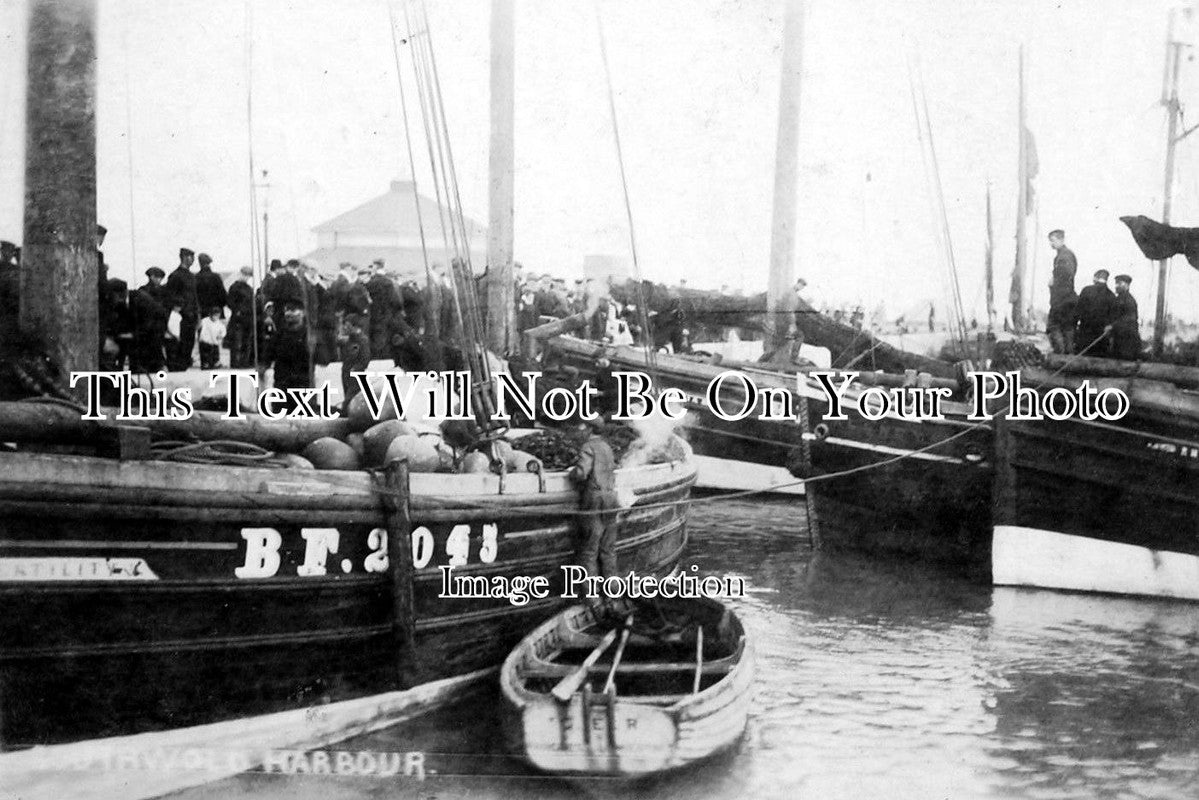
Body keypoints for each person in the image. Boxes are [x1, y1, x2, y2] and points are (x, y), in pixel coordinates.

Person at [569, 415, 619, 584]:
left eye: (583, 427)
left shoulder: (588, 447)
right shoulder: (607, 447)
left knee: (589, 550)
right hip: (611, 499)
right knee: (608, 549)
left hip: (595, 500)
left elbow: (582, 473)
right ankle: (613, 593)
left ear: (589, 429)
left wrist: (572, 473)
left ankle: (593, 598)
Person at [130, 267, 170, 373]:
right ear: (151, 277)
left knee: (156, 347)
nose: (159, 280)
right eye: (157, 277)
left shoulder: (161, 291)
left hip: (157, 325)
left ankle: (156, 366)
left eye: (160, 278)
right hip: (148, 325)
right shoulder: (144, 290)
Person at [165, 247, 199, 370]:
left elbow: (195, 297)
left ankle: (183, 368)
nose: (193, 260)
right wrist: (181, 310)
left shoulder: (191, 276)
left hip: (191, 317)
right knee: (180, 346)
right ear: (184, 257)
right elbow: (170, 297)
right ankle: (177, 369)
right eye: (191, 257)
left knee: (188, 345)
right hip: (181, 317)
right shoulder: (175, 276)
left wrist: (197, 315)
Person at [1047, 229, 1079, 355]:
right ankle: (1068, 359)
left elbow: (1066, 275)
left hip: (1062, 299)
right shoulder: (1064, 255)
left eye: (1053, 241)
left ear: (1061, 240)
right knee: (1067, 329)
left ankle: (1060, 356)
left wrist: (1053, 281)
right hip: (1067, 298)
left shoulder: (1064, 256)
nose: (1051, 244)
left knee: (1054, 327)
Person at [1074, 269, 1116, 357]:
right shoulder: (1111, 295)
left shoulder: (1086, 290)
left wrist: (1074, 327)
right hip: (1101, 337)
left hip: (1085, 333)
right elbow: (1113, 317)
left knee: (1082, 360)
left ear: (1095, 278)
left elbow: (1077, 311)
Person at [226, 265, 256, 368]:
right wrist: (237, 310)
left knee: (246, 341)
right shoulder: (235, 287)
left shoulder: (249, 288)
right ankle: (236, 363)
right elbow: (230, 302)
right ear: (241, 274)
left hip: (247, 318)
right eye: (246, 275)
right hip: (238, 318)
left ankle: (244, 362)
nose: (247, 277)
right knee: (237, 341)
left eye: (248, 276)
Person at [1107, 274, 1141, 361]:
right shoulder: (1118, 298)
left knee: (1125, 364)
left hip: (1127, 340)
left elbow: (1129, 318)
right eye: (1116, 283)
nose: (1116, 286)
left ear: (1127, 285)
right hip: (1119, 338)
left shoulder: (1129, 300)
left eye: (1119, 283)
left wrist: (1113, 326)